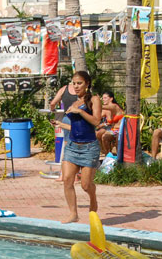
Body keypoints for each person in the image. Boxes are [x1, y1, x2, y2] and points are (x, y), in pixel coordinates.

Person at [49, 71, 102, 224]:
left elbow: (96, 121)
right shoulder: (73, 102)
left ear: (87, 83)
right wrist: (61, 124)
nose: (76, 86)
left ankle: (93, 197)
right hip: (72, 146)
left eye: (79, 83)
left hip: (89, 148)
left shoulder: (94, 99)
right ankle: (73, 214)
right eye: (74, 83)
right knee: (67, 180)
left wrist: (79, 111)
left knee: (86, 185)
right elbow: (76, 128)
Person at [50, 81, 79, 181]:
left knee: (66, 148)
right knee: (76, 147)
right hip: (79, 120)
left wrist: (52, 109)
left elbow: (53, 103)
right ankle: (74, 175)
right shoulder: (82, 90)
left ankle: (63, 175)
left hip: (67, 119)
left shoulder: (64, 89)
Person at [97, 91, 124, 155]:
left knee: (105, 136)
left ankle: (117, 157)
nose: (103, 99)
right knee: (103, 136)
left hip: (121, 130)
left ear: (111, 99)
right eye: (102, 98)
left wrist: (96, 102)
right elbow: (98, 116)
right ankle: (108, 155)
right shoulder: (107, 109)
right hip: (113, 130)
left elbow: (101, 107)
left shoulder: (114, 106)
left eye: (105, 98)